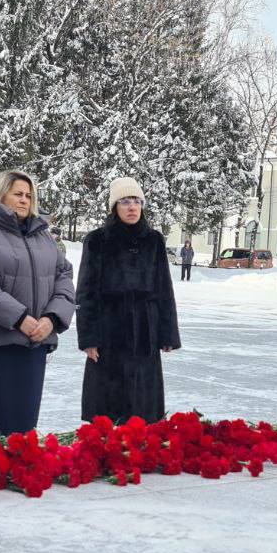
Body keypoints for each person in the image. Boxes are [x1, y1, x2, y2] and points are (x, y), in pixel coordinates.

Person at [0, 170, 75, 436]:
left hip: (35, 344)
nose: (24, 200)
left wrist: (52, 319)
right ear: (1, 196)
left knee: (24, 427)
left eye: (28, 195)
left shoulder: (44, 238)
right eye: (17, 194)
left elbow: (64, 278)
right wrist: (20, 319)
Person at [77, 178, 180, 424]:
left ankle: (143, 451)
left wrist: (168, 334)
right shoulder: (97, 240)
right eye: (125, 201)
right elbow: (85, 291)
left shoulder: (154, 240)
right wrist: (89, 338)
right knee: (108, 405)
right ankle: (109, 451)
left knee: (144, 405)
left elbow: (164, 288)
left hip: (146, 330)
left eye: (136, 201)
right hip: (108, 330)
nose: (132, 207)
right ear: (115, 206)